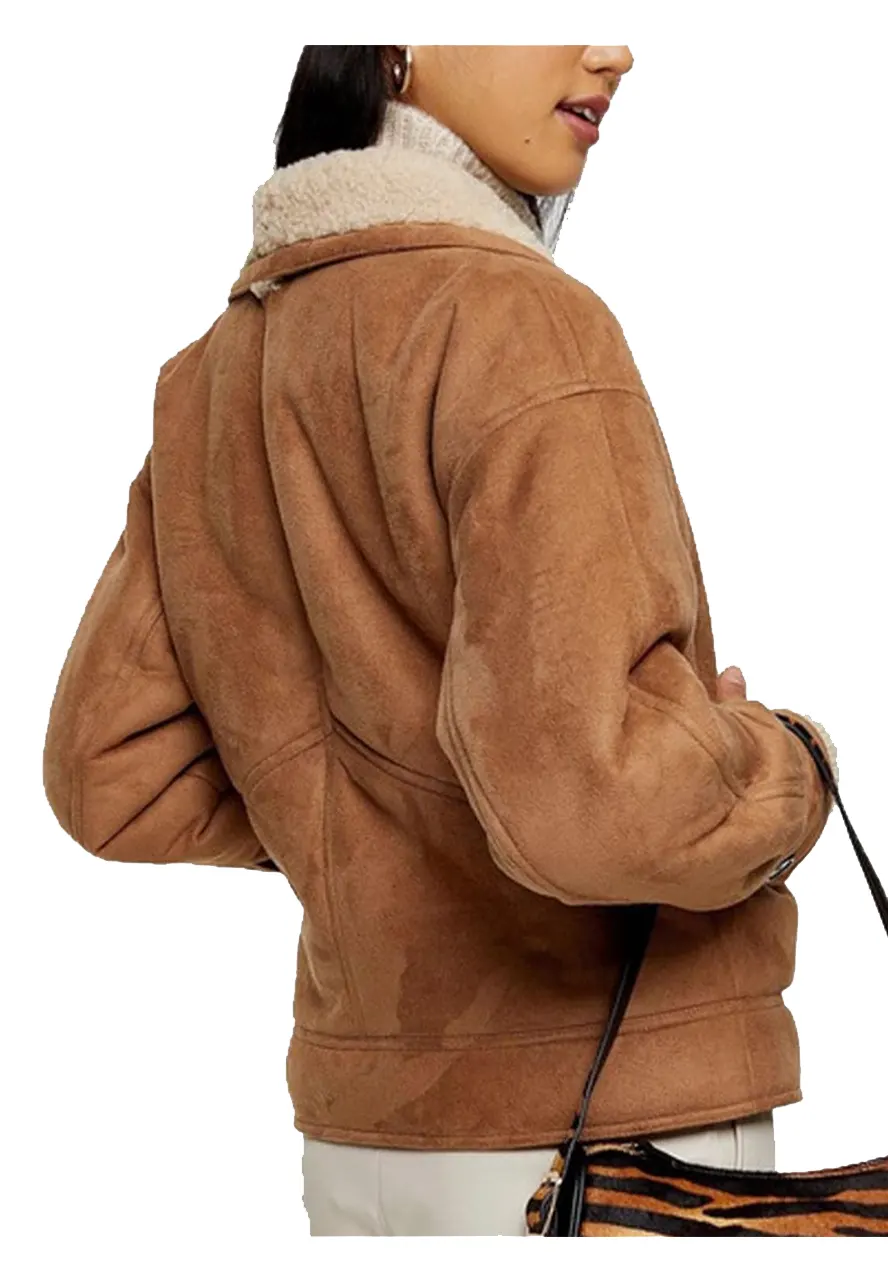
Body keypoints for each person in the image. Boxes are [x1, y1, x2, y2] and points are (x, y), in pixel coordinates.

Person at [43, 44, 839, 1236]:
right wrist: (784, 761)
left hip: (362, 1141)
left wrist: (371, 814)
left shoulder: (216, 371)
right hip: (613, 1140)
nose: (611, 48)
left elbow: (113, 772)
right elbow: (596, 801)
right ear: (395, 42)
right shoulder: (517, 320)